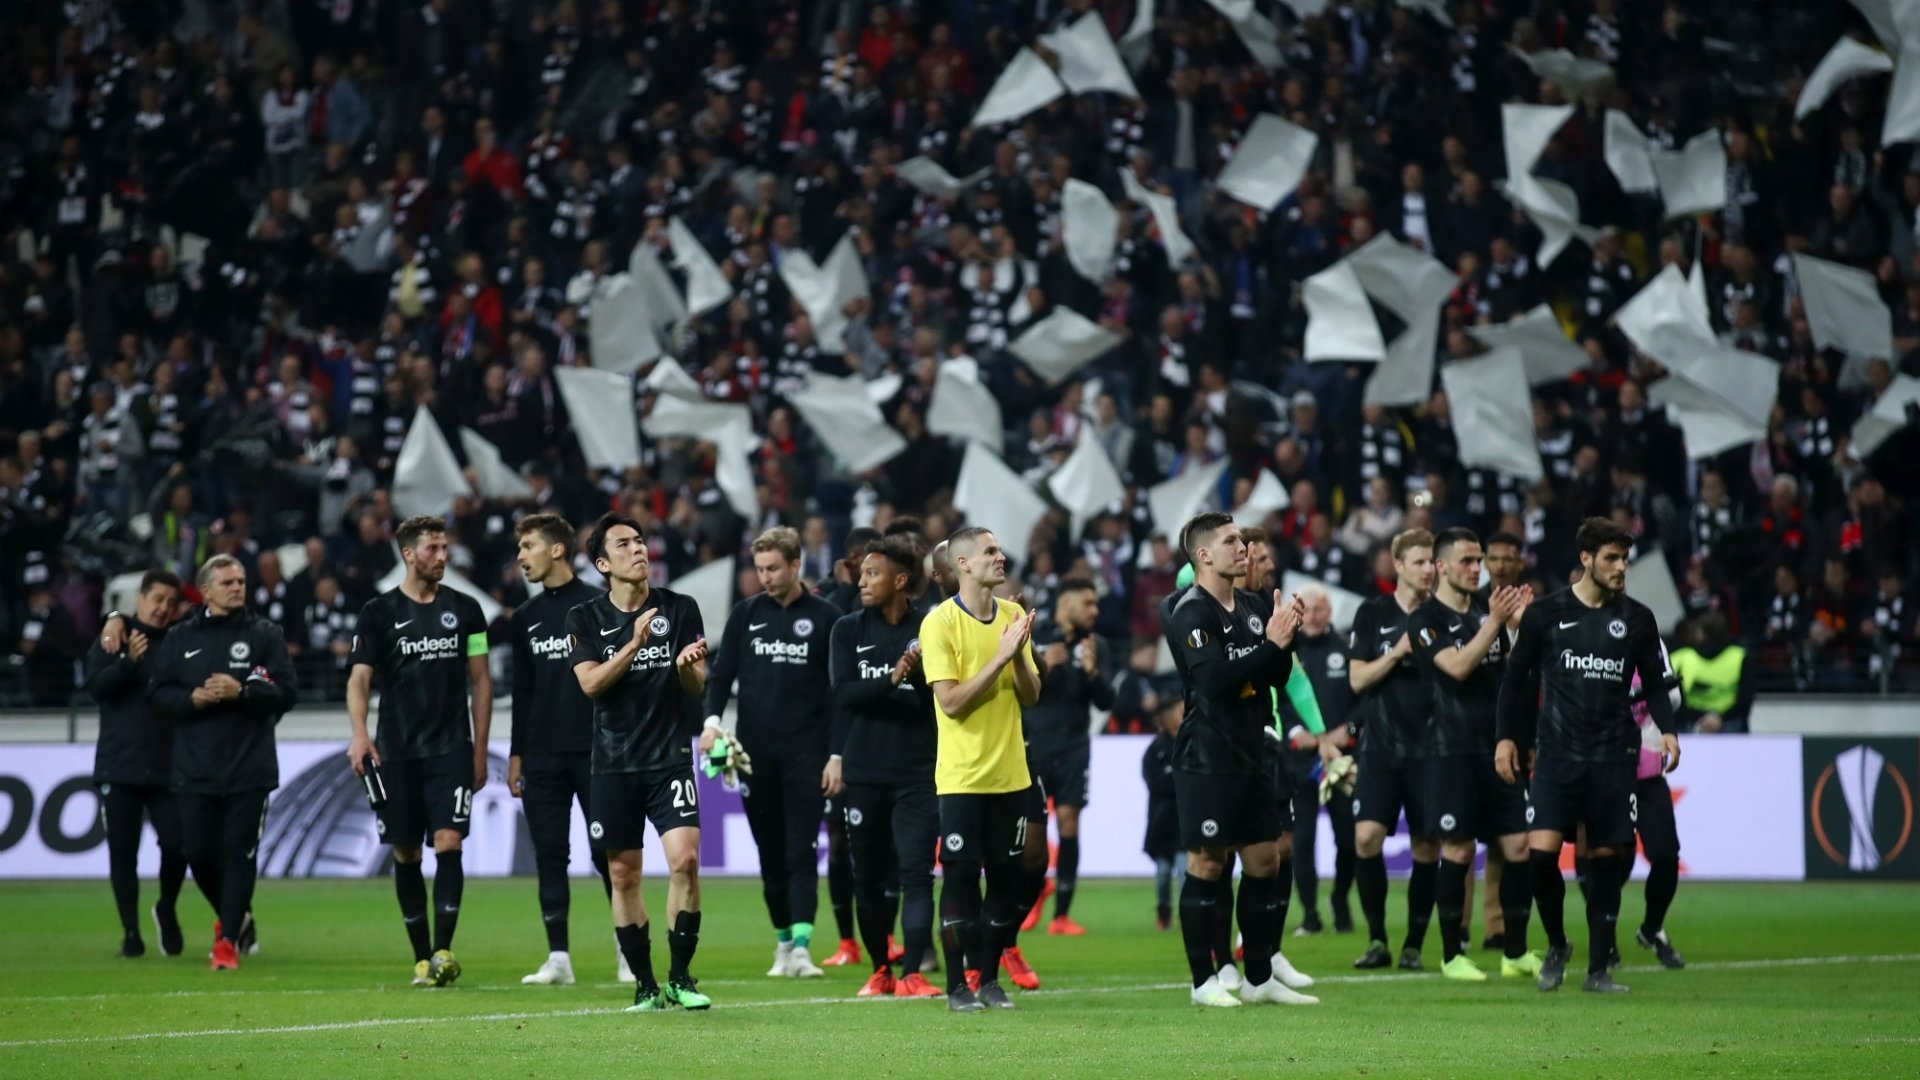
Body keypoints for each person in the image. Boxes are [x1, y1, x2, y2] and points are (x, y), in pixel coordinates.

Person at [1496, 517, 1680, 994]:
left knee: (1606, 861)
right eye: (1611, 559)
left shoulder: (1637, 619)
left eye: (1624, 559)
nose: (1621, 568)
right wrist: (1505, 738)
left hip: (1614, 757)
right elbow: (1516, 681)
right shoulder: (1546, 614)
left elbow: (1656, 684)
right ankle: (1557, 943)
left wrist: (1670, 732)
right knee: (1540, 857)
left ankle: (1598, 969)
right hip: (1557, 757)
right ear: (1586, 559)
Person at [1163, 511, 1317, 1006]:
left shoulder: (1252, 605)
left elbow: (1271, 676)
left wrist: (1282, 638)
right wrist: (1268, 645)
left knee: (1265, 860)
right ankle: (1203, 981)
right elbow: (1212, 682)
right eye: (1231, 541)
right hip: (1207, 756)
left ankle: (1257, 977)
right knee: (1208, 864)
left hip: (1254, 752)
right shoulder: (1191, 612)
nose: (1243, 548)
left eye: (1242, 540)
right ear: (1204, 554)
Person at [567, 512, 712, 1012]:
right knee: (624, 875)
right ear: (604, 563)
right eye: (624, 544)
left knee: (686, 863)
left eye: (640, 541)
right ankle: (645, 984)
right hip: (612, 764)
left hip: (668, 759)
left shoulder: (680, 607)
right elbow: (589, 684)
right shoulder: (584, 618)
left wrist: (687, 669)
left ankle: (680, 977)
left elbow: (697, 684)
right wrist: (635, 643)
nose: (638, 549)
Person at [345, 515, 494, 988]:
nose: (443, 557)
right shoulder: (377, 612)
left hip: (451, 748)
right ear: (408, 554)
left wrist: (480, 748)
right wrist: (359, 733)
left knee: (449, 842)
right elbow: (359, 678)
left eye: (445, 548)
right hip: (397, 752)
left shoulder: (467, 610)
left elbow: (481, 680)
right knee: (406, 851)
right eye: (432, 549)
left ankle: (444, 950)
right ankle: (420, 958)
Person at [702, 526, 845, 978]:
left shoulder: (826, 618)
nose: (764, 577)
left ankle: (802, 948)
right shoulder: (746, 615)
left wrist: (836, 755)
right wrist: (710, 724)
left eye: (773, 568)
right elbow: (721, 676)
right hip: (754, 756)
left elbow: (839, 695)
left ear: (795, 565)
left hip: (807, 755)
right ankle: (782, 943)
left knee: (801, 850)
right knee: (769, 853)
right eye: (759, 568)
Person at [148, 555, 297, 971]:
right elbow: (157, 697)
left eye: (241, 581)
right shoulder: (180, 638)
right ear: (206, 590)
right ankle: (238, 918)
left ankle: (226, 940)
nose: (237, 587)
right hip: (194, 770)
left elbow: (286, 693)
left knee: (238, 854)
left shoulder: (265, 634)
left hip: (250, 769)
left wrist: (243, 692)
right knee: (197, 854)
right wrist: (192, 699)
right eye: (227, 582)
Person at [1405, 528, 1538, 982]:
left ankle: (1515, 951)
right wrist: (1496, 624)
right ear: (1440, 566)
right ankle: (1451, 954)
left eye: (1478, 560)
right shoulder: (1425, 620)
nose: (1476, 568)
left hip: (1498, 750)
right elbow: (1458, 668)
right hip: (1451, 752)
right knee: (1458, 849)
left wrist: (1520, 626)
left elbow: (1517, 674)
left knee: (1519, 845)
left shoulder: (1488, 612)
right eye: (1466, 560)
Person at [919, 525, 1042, 1013]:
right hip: (963, 779)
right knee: (961, 880)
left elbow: (1031, 695)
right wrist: (1000, 657)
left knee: (1007, 881)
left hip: (1012, 775)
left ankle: (988, 980)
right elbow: (950, 703)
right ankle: (956, 987)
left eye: (999, 548)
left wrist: (1017, 660)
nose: (1000, 556)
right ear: (963, 564)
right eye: (989, 550)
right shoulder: (939, 624)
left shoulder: (1012, 615)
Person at [829, 535, 943, 998]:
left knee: (917, 874)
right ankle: (880, 970)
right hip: (865, 774)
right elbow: (844, 695)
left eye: (872, 574)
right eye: (861, 575)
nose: (861, 582)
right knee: (868, 878)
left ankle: (913, 973)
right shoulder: (848, 629)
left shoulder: (932, 630)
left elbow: (939, 704)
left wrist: (916, 683)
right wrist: (893, 679)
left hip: (917, 773)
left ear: (901, 580)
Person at [508, 513, 620, 986]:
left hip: (595, 754)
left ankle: (627, 951)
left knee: (608, 854)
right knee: (550, 855)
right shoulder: (525, 618)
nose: (520, 557)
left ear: (556, 549)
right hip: (541, 756)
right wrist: (517, 754)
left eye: (528, 546)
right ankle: (559, 959)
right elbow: (524, 691)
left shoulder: (600, 606)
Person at [1347, 528, 1439, 971]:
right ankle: (1377, 938)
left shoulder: (1446, 614)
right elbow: (1357, 679)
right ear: (1398, 565)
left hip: (1431, 751)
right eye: (1419, 561)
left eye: (1431, 561)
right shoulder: (1373, 614)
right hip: (1380, 749)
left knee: (1427, 847)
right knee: (1366, 838)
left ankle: (1413, 945)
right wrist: (1398, 651)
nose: (1428, 569)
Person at [90, 570, 190, 958]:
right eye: (157, 599)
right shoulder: (113, 638)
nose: (163, 608)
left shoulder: (181, 640)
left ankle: (166, 906)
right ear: (141, 598)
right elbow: (97, 687)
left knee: (179, 846)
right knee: (123, 852)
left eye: (170, 602)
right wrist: (128, 661)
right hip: (120, 764)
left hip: (168, 766)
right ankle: (130, 933)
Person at [1024, 578, 1113, 936]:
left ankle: (1061, 915)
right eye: (1088, 603)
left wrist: (1092, 673)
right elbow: (1021, 690)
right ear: (1067, 603)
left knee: (1069, 824)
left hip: (1075, 746)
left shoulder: (1097, 646)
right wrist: (1044, 664)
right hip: (1034, 744)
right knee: (1031, 832)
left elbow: (1107, 702)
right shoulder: (1036, 635)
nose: (1095, 610)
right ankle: (1029, 898)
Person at [1286, 584, 1356, 937]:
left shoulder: (1345, 649)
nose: (1312, 617)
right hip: (1299, 763)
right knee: (1302, 839)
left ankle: (1341, 898)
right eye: (1306, 609)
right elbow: (1277, 697)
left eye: (1319, 609)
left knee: (1349, 838)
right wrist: (1295, 730)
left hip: (1341, 762)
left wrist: (1350, 729)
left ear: (1330, 613)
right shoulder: (1286, 647)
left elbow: (1364, 698)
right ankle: (1310, 913)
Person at [1472, 530, 1527, 950]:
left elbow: (1533, 672)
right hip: (1467, 733)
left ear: (1520, 564)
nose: (1502, 565)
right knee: (1457, 839)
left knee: (1503, 839)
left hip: (1512, 733)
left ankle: (1497, 926)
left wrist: (1517, 627)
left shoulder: (1534, 611)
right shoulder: (1470, 606)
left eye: (1510, 558)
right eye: (1495, 558)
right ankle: (1457, 928)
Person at [1143, 700, 1182, 930]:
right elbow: (1154, 783)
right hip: (1161, 822)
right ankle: (1163, 911)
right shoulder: (1156, 749)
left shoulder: (1191, 744)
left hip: (1184, 822)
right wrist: (1176, 778)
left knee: (1185, 870)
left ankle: (1189, 914)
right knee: (1163, 873)